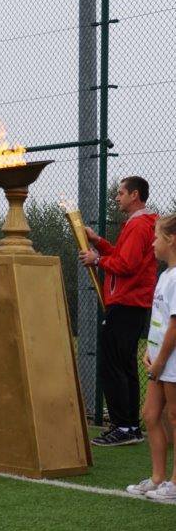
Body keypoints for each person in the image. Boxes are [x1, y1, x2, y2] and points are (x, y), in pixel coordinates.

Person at [79, 176, 157, 446]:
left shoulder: (138, 226)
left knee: (113, 365)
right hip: (131, 303)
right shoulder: (138, 224)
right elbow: (122, 256)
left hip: (126, 303)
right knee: (124, 365)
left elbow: (127, 264)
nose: (117, 197)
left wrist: (96, 259)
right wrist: (98, 242)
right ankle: (130, 426)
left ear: (134, 195)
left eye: (121, 193)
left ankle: (123, 426)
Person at [126, 215, 176, 501]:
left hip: (171, 363)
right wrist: (149, 350)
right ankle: (158, 478)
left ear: (171, 240)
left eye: (157, 238)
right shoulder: (164, 275)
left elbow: (174, 325)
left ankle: (174, 482)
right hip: (159, 361)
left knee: (174, 417)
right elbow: (158, 320)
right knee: (150, 415)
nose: (153, 243)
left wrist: (160, 361)